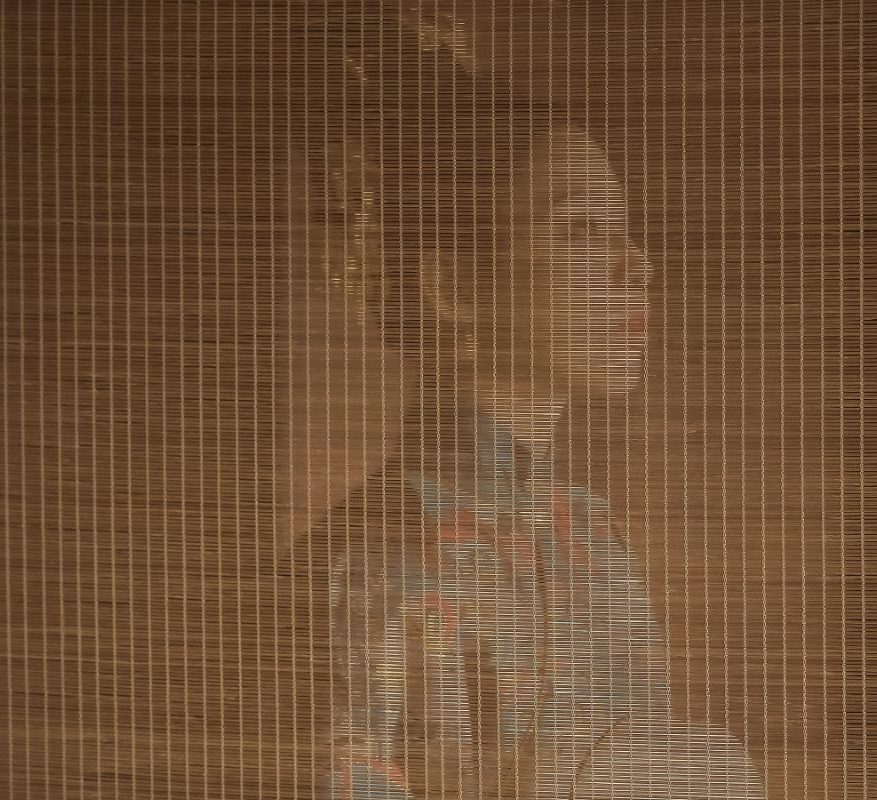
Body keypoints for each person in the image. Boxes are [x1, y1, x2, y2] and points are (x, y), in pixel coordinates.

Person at [283, 6, 767, 798]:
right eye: (581, 231)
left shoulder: (595, 538)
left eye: (625, 229)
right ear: (454, 286)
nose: (637, 264)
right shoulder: (368, 560)